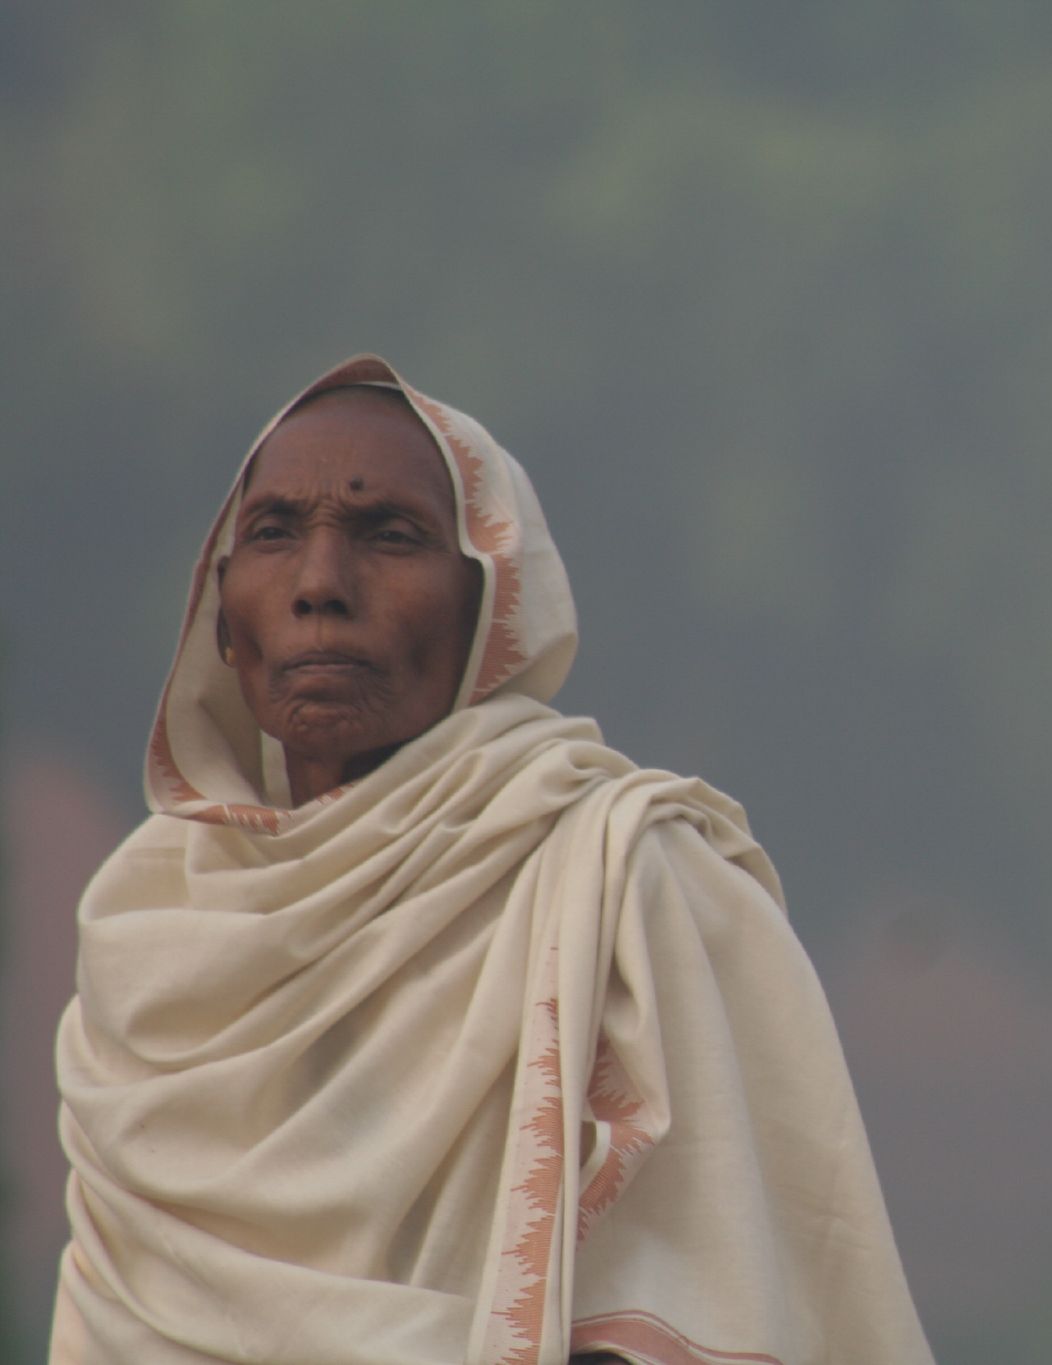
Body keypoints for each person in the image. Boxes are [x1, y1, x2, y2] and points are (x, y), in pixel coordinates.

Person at [50, 356, 935, 1365]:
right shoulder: (150, 945)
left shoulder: (631, 886)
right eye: (273, 534)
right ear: (222, 622)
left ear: (496, 606)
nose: (320, 586)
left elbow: (718, 1304)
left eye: (390, 535)